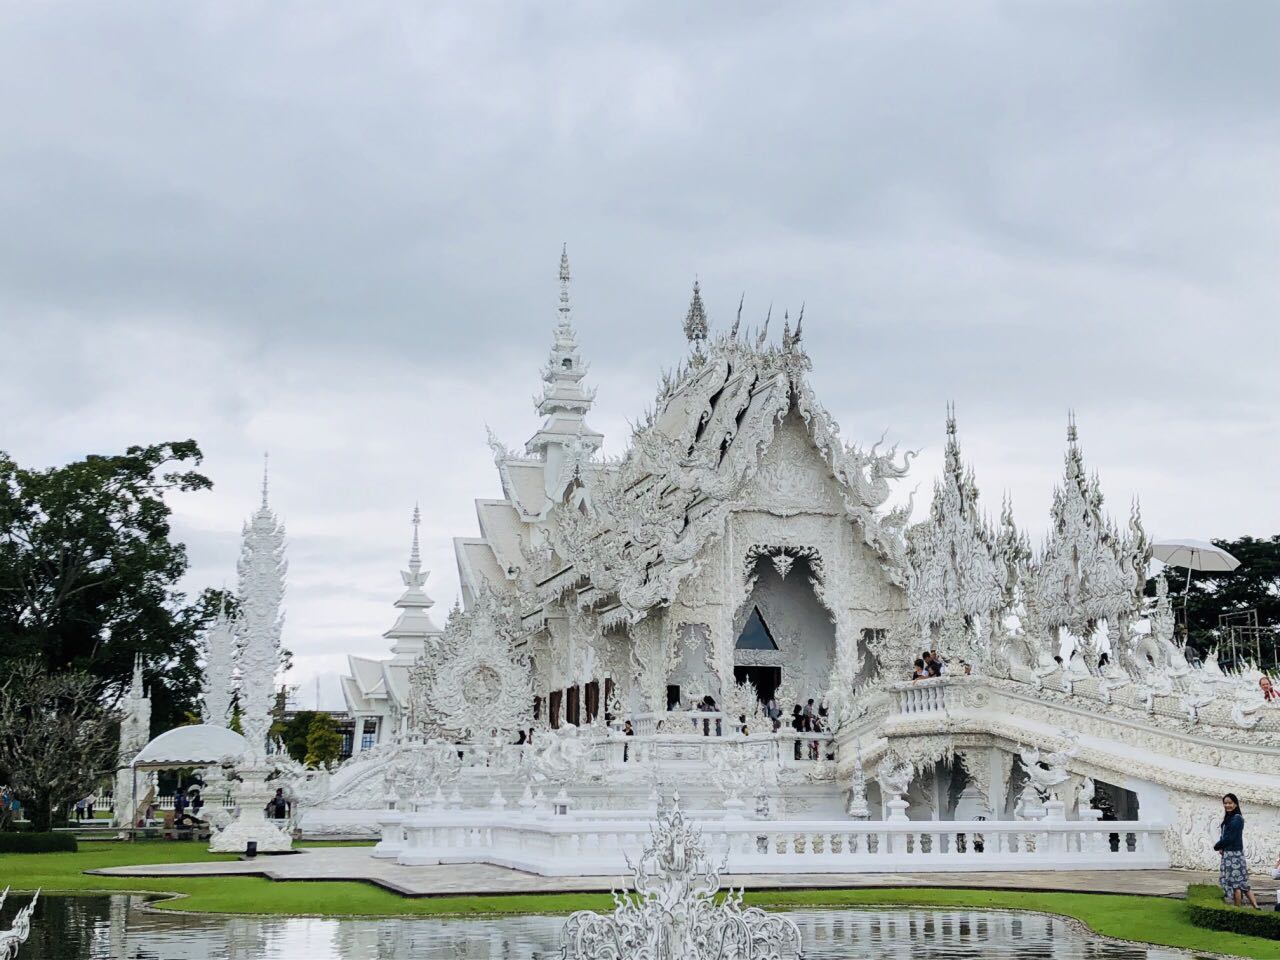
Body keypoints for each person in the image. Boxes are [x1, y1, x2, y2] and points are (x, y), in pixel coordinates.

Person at [1214, 793, 1261, 908]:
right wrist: (1221, 846)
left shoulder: (1237, 819)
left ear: (1235, 804)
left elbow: (1230, 838)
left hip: (1233, 855)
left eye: (1230, 803)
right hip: (1232, 853)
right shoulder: (1230, 818)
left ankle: (1238, 910)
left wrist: (1217, 846)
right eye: (1225, 803)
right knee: (1243, 882)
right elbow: (1225, 835)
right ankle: (1256, 907)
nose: (1227, 805)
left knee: (1236, 885)